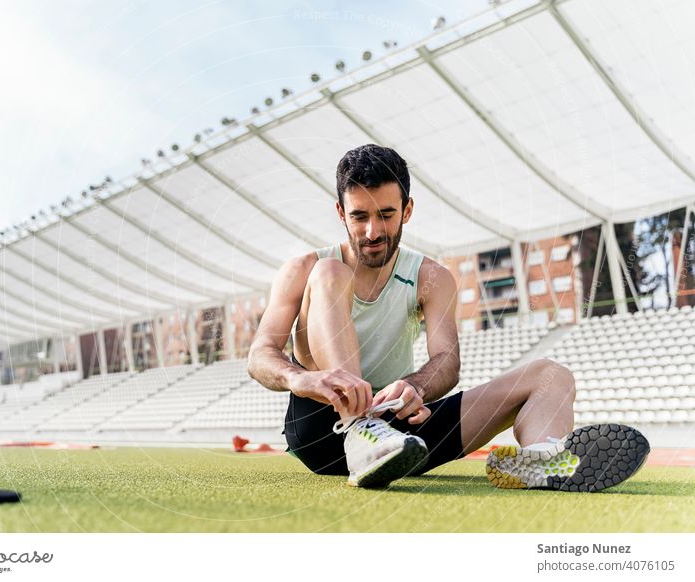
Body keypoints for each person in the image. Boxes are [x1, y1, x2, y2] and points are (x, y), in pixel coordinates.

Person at [247, 144, 649, 490]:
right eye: (359, 216)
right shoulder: (305, 268)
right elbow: (261, 355)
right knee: (331, 274)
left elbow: (447, 362)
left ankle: (542, 461)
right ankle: (358, 429)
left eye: (386, 214)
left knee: (551, 374)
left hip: (399, 440)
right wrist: (301, 378)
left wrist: (414, 388)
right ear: (340, 212)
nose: (372, 231)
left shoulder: (432, 278)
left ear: (407, 210)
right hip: (323, 427)